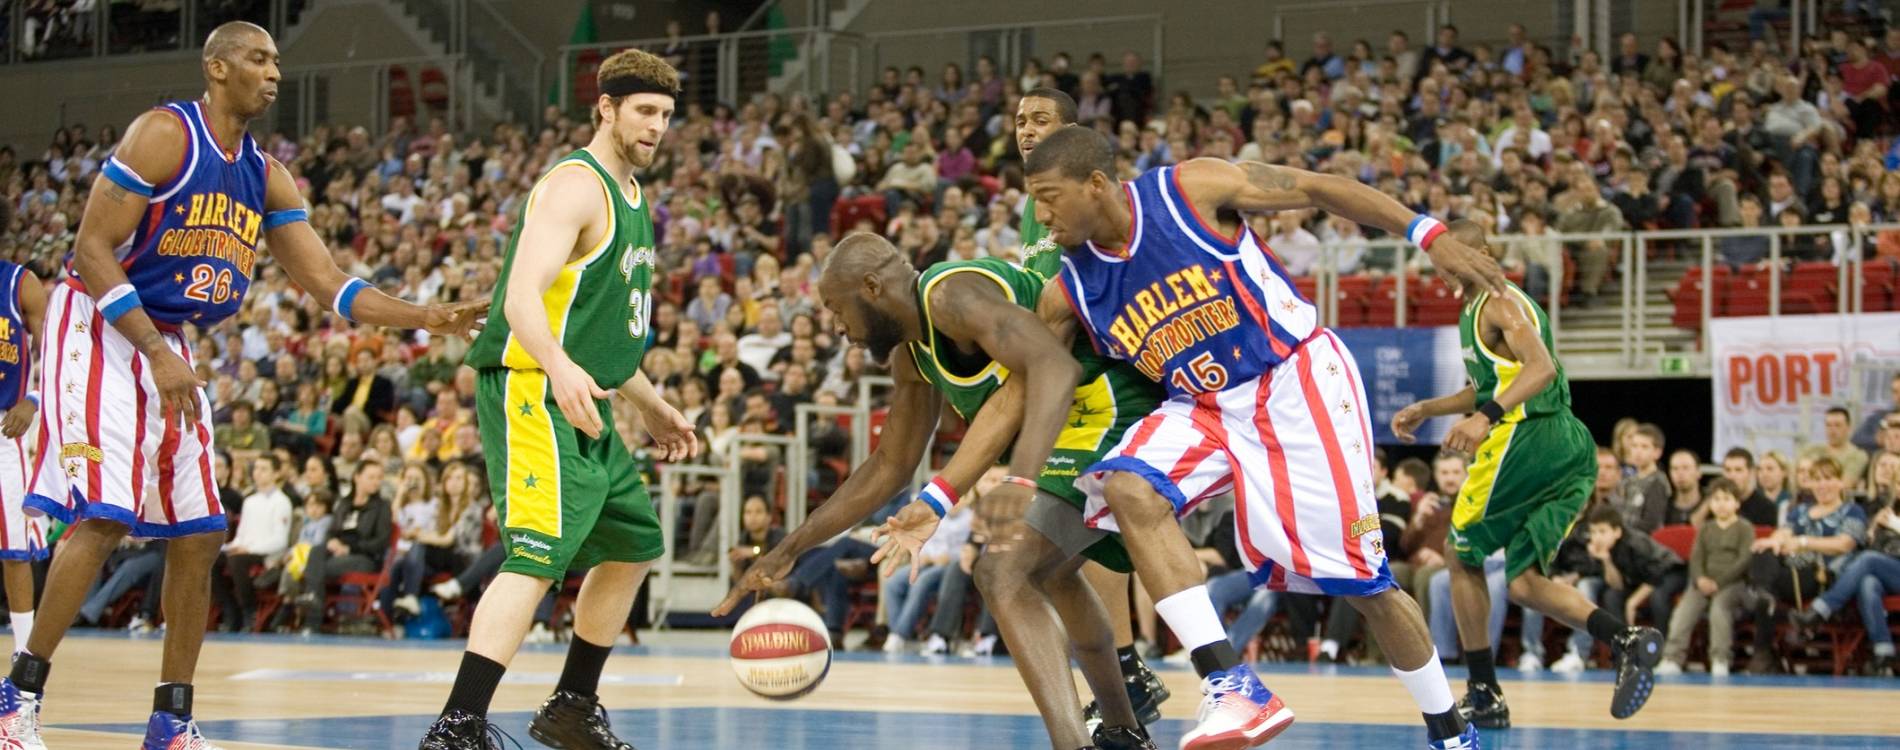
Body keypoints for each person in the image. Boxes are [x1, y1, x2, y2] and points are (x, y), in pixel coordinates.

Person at [0, 22, 484, 748]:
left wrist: (427, 317)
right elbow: (91, 250)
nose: (275, 72)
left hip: (165, 335)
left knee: (201, 530)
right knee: (105, 514)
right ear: (217, 67)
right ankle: (17, 700)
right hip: (98, 321)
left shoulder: (264, 173)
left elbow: (328, 283)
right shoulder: (164, 134)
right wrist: (153, 351)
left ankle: (171, 722)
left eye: (278, 61)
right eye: (259, 58)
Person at [1024, 125, 1505, 749]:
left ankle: (1452, 732)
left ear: (1096, 183)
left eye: (1049, 197)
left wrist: (1427, 234)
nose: (1040, 216)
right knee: (1127, 488)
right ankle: (1230, 684)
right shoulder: (1069, 291)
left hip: (1293, 383)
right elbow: (1023, 382)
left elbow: (1317, 187)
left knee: (1364, 586)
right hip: (1201, 405)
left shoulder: (1188, 191)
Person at [714, 231, 1161, 750]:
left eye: (837, 309)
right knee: (1052, 574)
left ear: (872, 286)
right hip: (1073, 429)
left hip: (1110, 407)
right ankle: (1123, 729)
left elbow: (1054, 364)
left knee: (1002, 572)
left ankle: (1078, 743)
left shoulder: (951, 293)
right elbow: (889, 464)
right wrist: (790, 548)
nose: (836, 327)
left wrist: (1010, 480)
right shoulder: (914, 355)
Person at [419, 49, 699, 749]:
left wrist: (650, 403)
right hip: (530, 388)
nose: (657, 126)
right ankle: (457, 726)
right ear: (605, 108)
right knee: (537, 556)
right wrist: (558, 366)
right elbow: (520, 298)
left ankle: (572, 706)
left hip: (579, 396)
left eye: (666, 115)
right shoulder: (575, 187)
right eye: (644, 111)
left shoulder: (634, 200)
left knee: (634, 544)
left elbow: (598, 336)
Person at [1391, 219, 1664, 729]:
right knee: (1523, 583)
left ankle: (1484, 692)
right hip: (1566, 446)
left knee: (1460, 554)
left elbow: (1542, 369)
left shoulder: (1499, 301)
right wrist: (1430, 408)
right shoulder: (1478, 307)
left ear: (1481, 254)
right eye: (1437, 260)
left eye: (1448, 258)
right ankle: (1625, 640)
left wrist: (1485, 418)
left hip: (1527, 437)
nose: (1442, 268)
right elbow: (1491, 384)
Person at [1658, 478, 1754, 676]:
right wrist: (1700, 579)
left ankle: (1720, 658)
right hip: (1702, 583)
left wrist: (1719, 582)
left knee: (1719, 609)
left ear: (1737, 503)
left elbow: (1744, 560)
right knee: (1683, 611)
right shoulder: (1706, 528)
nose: (1721, 504)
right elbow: (1696, 558)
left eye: (1726, 499)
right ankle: (1672, 658)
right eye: (1716, 499)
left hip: (1732, 583)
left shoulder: (1745, 528)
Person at [0, 260, 46, 657]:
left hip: (6, 427)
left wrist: (33, 400)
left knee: (13, 544)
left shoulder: (20, 283)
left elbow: (60, 351)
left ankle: (24, 649)